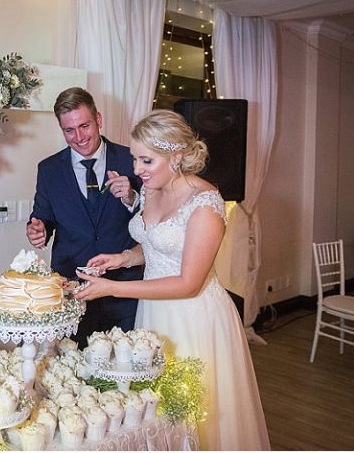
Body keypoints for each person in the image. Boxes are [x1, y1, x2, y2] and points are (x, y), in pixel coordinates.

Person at [74, 109, 270, 450]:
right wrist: (123, 258)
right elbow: (155, 244)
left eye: (146, 160)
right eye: (135, 159)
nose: (137, 170)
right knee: (156, 411)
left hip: (192, 316)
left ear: (176, 157)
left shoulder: (205, 204)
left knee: (195, 412)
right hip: (154, 311)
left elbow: (188, 282)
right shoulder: (152, 189)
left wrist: (113, 288)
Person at [26, 87, 143, 347]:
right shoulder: (48, 169)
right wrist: (38, 229)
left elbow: (154, 221)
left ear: (98, 119)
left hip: (124, 286)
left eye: (84, 126)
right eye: (69, 130)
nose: (79, 137)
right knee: (73, 362)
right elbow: (42, 216)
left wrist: (132, 197)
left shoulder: (131, 160)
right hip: (72, 288)